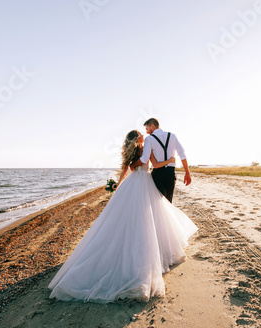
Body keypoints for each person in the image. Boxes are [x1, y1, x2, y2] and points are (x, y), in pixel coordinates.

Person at [47, 129, 199, 303]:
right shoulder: (145, 148)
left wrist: (116, 186)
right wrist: (171, 160)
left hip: (132, 184)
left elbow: (124, 171)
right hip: (145, 183)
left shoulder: (129, 152)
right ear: (139, 138)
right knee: (149, 217)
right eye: (142, 135)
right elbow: (156, 166)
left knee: (127, 219)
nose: (144, 135)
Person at [130, 118, 191, 203]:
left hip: (158, 174)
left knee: (158, 204)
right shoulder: (172, 136)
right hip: (170, 173)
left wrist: (133, 165)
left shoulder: (149, 139)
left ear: (152, 126)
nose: (147, 132)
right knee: (169, 202)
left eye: (147, 129)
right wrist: (187, 172)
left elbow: (144, 159)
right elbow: (182, 154)